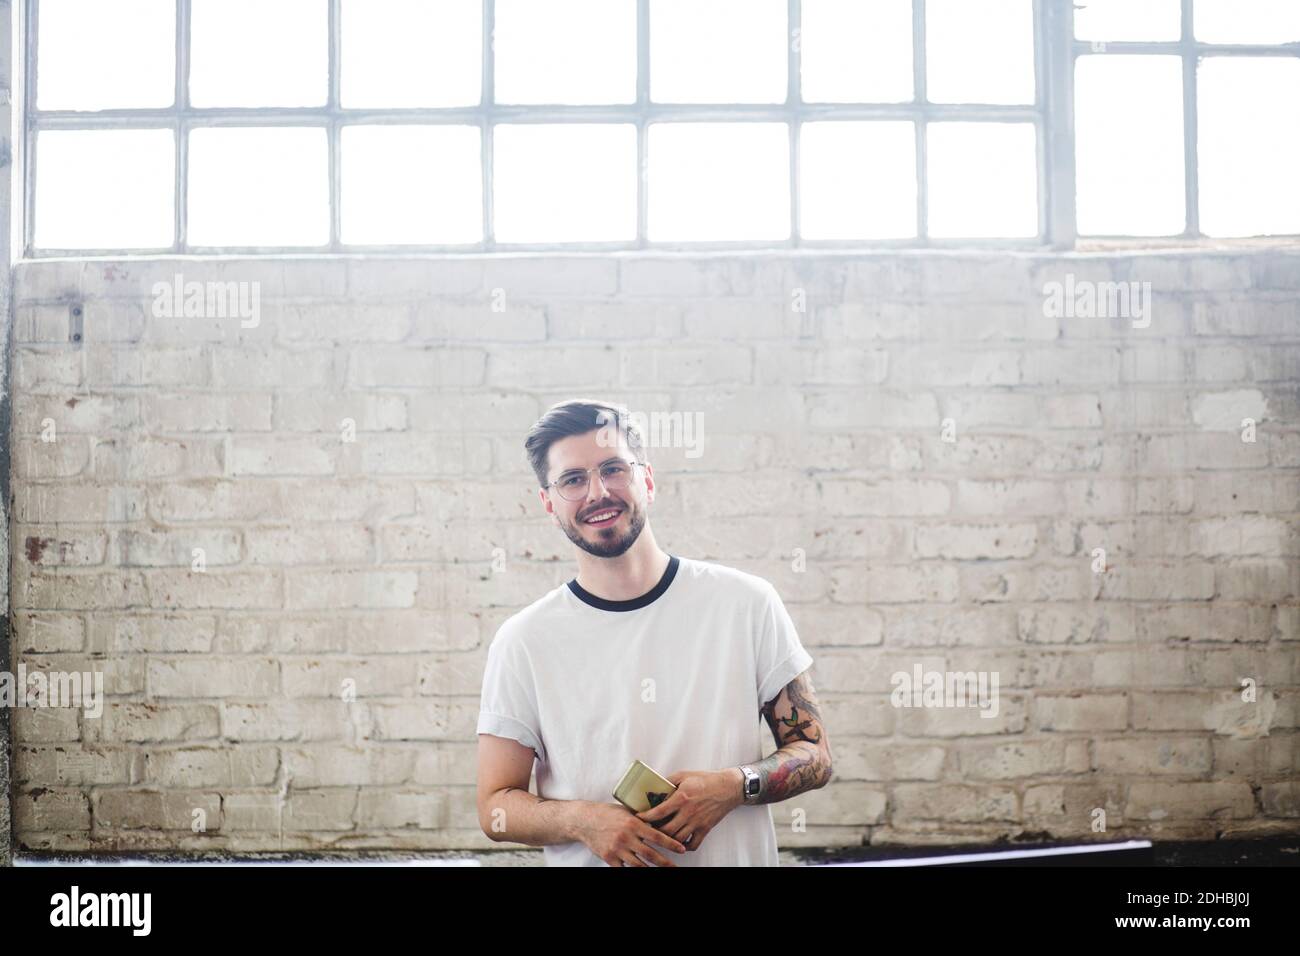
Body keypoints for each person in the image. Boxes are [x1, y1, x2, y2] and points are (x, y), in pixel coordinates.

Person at [475, 399, 834, 866]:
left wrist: (734, 785)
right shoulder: (523, 640)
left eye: (613, 469)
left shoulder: (746, 603)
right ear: (549, 502)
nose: (598, 492)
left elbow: (816, 754)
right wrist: (583, 820)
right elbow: (494, 805)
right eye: (573, 480)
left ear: (647, 478)